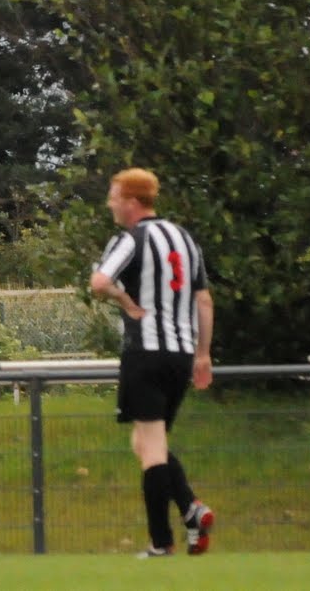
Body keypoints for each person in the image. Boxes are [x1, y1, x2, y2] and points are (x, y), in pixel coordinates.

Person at [89, 167, 216, 558]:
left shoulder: (131, 238)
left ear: (131, 201)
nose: (110, 204)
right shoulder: (184, 239)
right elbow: (204, 301)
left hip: (145, 352)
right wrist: (203, 355)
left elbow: (99, 283)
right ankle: (191, 508)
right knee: (145, 441)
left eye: (114, 197)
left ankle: (161, 542)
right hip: (180, 356)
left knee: (152, 451)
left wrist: (126, 301)